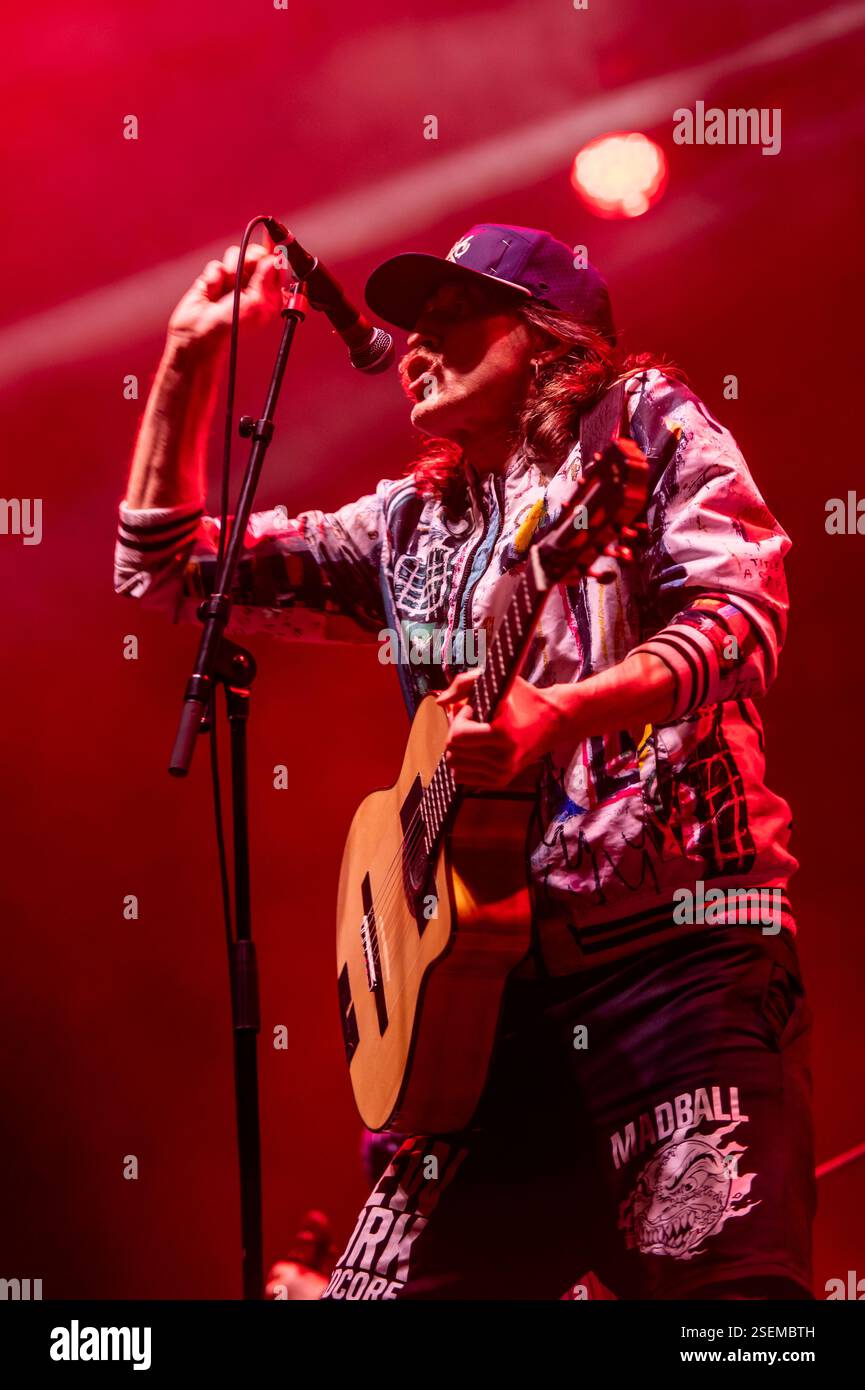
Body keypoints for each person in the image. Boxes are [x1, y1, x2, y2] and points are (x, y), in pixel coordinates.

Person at [116, 223, 814, 1300]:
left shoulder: (642, 425)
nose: (412, 345)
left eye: (451, 319)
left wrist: (565, 711)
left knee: (733, 1315)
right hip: (474, 1017)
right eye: (410, 327)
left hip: (675, 970)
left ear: (549, 339)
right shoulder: (407, 523)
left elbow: (740, 616)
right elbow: (168, 571)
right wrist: (189, 350)